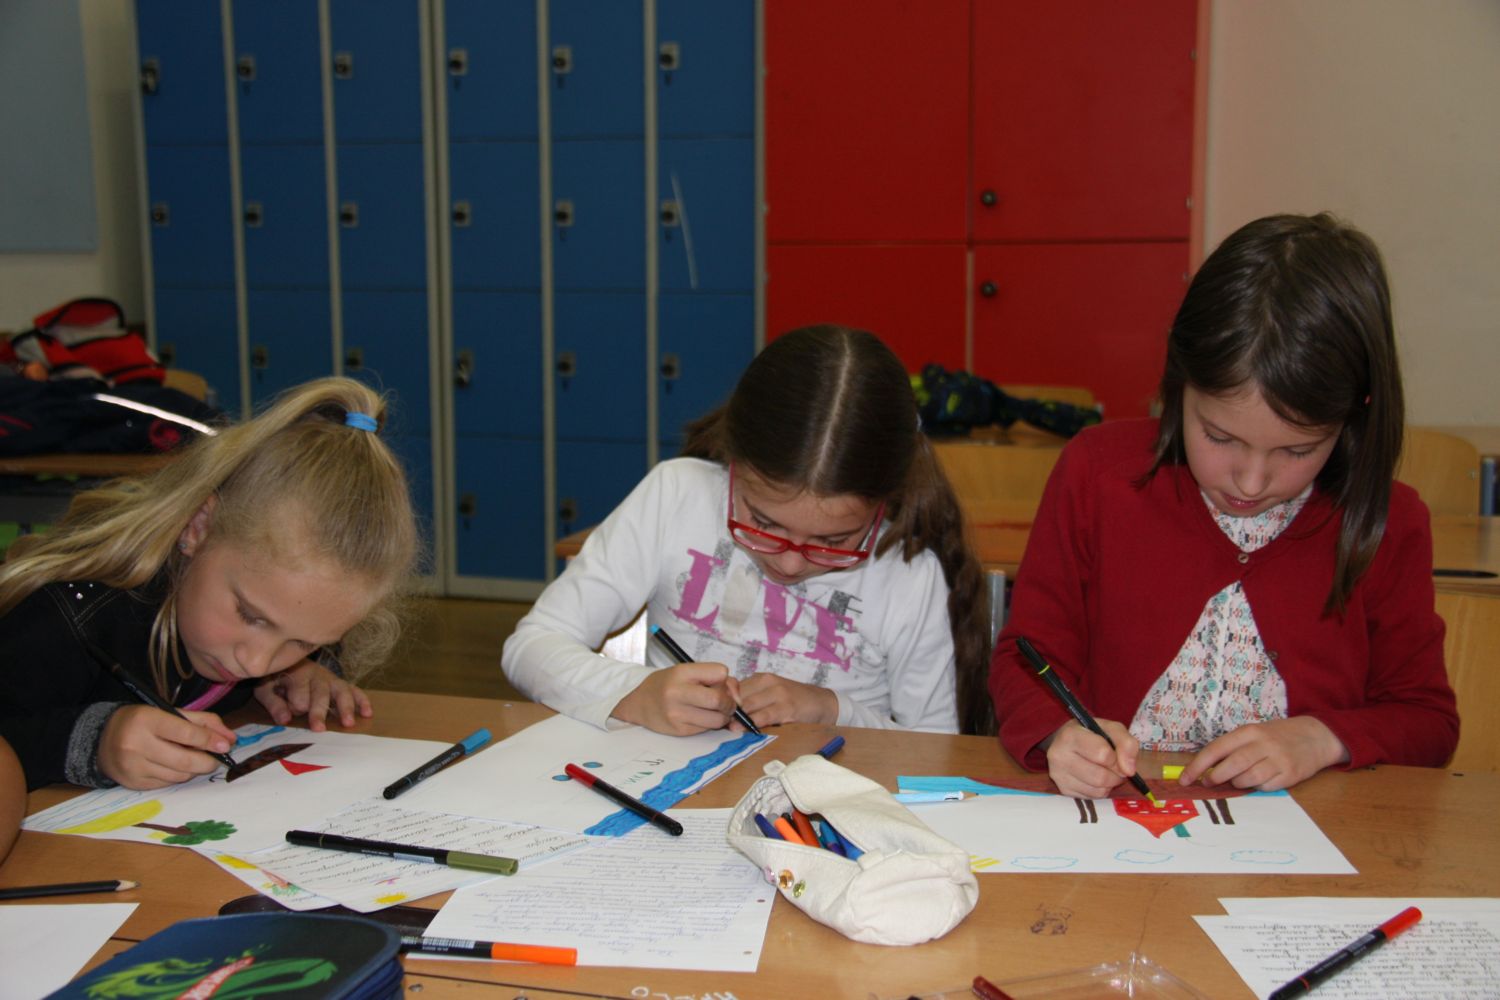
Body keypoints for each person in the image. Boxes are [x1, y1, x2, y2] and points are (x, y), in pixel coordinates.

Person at [991, 213, 1459, 796]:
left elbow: (1428, 721)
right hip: (1121, 824)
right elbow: (1025, 660)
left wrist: (1321, 738)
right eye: (1219, 437)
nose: (1252, 481)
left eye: (1296, 450)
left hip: (1308, 832)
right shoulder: (1098, 474)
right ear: (1179, 384)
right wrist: (1058, 733)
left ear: (1354, 415)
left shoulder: (1390, 523)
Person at [504, 325, 991, 736]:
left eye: (833, 542)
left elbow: (936, 747)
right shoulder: (677, 496)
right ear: (733, 462)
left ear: (882, 501)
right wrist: (634, 693)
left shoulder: (907, 571)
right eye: (763, 522)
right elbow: (530, 647)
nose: (790, 563)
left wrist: (833, 710)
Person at [0, 378, 419, 792]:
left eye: (304, 642)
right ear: (198, 527)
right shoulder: (69, 615)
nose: (256, 664)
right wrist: (93, 744)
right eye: (250, 616)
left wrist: (307, 673)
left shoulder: (257, 628)